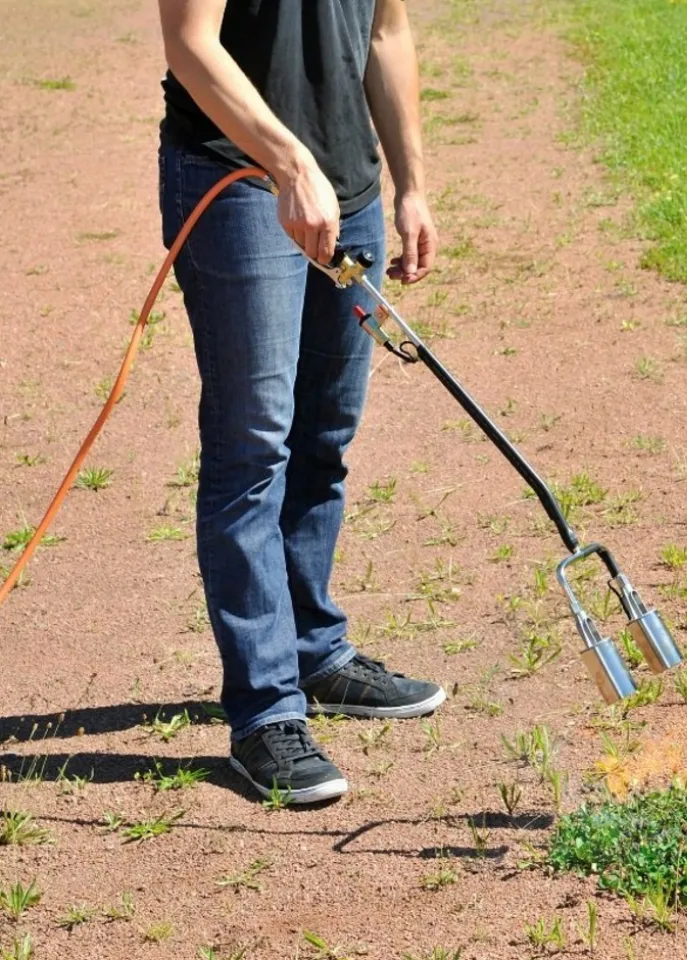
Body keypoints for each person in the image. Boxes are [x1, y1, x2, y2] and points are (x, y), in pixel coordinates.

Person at [156, 0, 444, 804]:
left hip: (346, 189)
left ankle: (314, 652)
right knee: (254, 449)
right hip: (239, 181)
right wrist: (287, 161)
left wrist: (412, 184)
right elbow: (189, 43)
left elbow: (386, 32)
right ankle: (264, 713)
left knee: (325, 434)